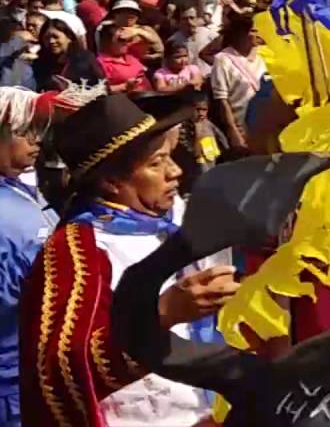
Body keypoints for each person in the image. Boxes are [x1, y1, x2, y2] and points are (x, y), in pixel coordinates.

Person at [19, 93, 239, 426]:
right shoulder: (76, 254)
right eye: (156, 163)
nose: (176, 171)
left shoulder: (170, 222)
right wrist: (161, 314)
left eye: (170, 157)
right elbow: (58, 377)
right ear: (111, 182)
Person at [0, 88, 56, 426]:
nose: (36, 141)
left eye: (38, 130)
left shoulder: (19, 188)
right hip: (11, 383)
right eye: (24, 132)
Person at [210, 14, 265, 155]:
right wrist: (233, 130)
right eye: (253, 31)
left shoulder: (266, 55)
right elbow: (222, 100)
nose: (258, 34)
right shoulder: (223, 59)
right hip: (242, 125)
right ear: (241, 34)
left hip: (267, 124)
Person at [32, 18, 102, 92]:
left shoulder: (85, 59)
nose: (51, 41)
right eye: (46, 38)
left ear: (69, 37)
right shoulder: (40, 64)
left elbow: (100, 85)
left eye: (55, 37)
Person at [97, 22, 151, 94]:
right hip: (128, 99)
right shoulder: (100, 63)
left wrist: (137, 31)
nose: (126, 42)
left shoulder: (130, 53)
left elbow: (154, 42)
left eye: (127, 39)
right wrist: (124, 86)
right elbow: (99, 90)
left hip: (150, 96)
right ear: (106, 41)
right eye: (121, 39)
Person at [168, 5, 218, 75]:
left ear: (198, 18)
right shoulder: (173, 41)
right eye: (184, 19)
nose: (189, 22)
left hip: (209, 76)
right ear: (179, 21)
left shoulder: (211, 36)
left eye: (192, 18)